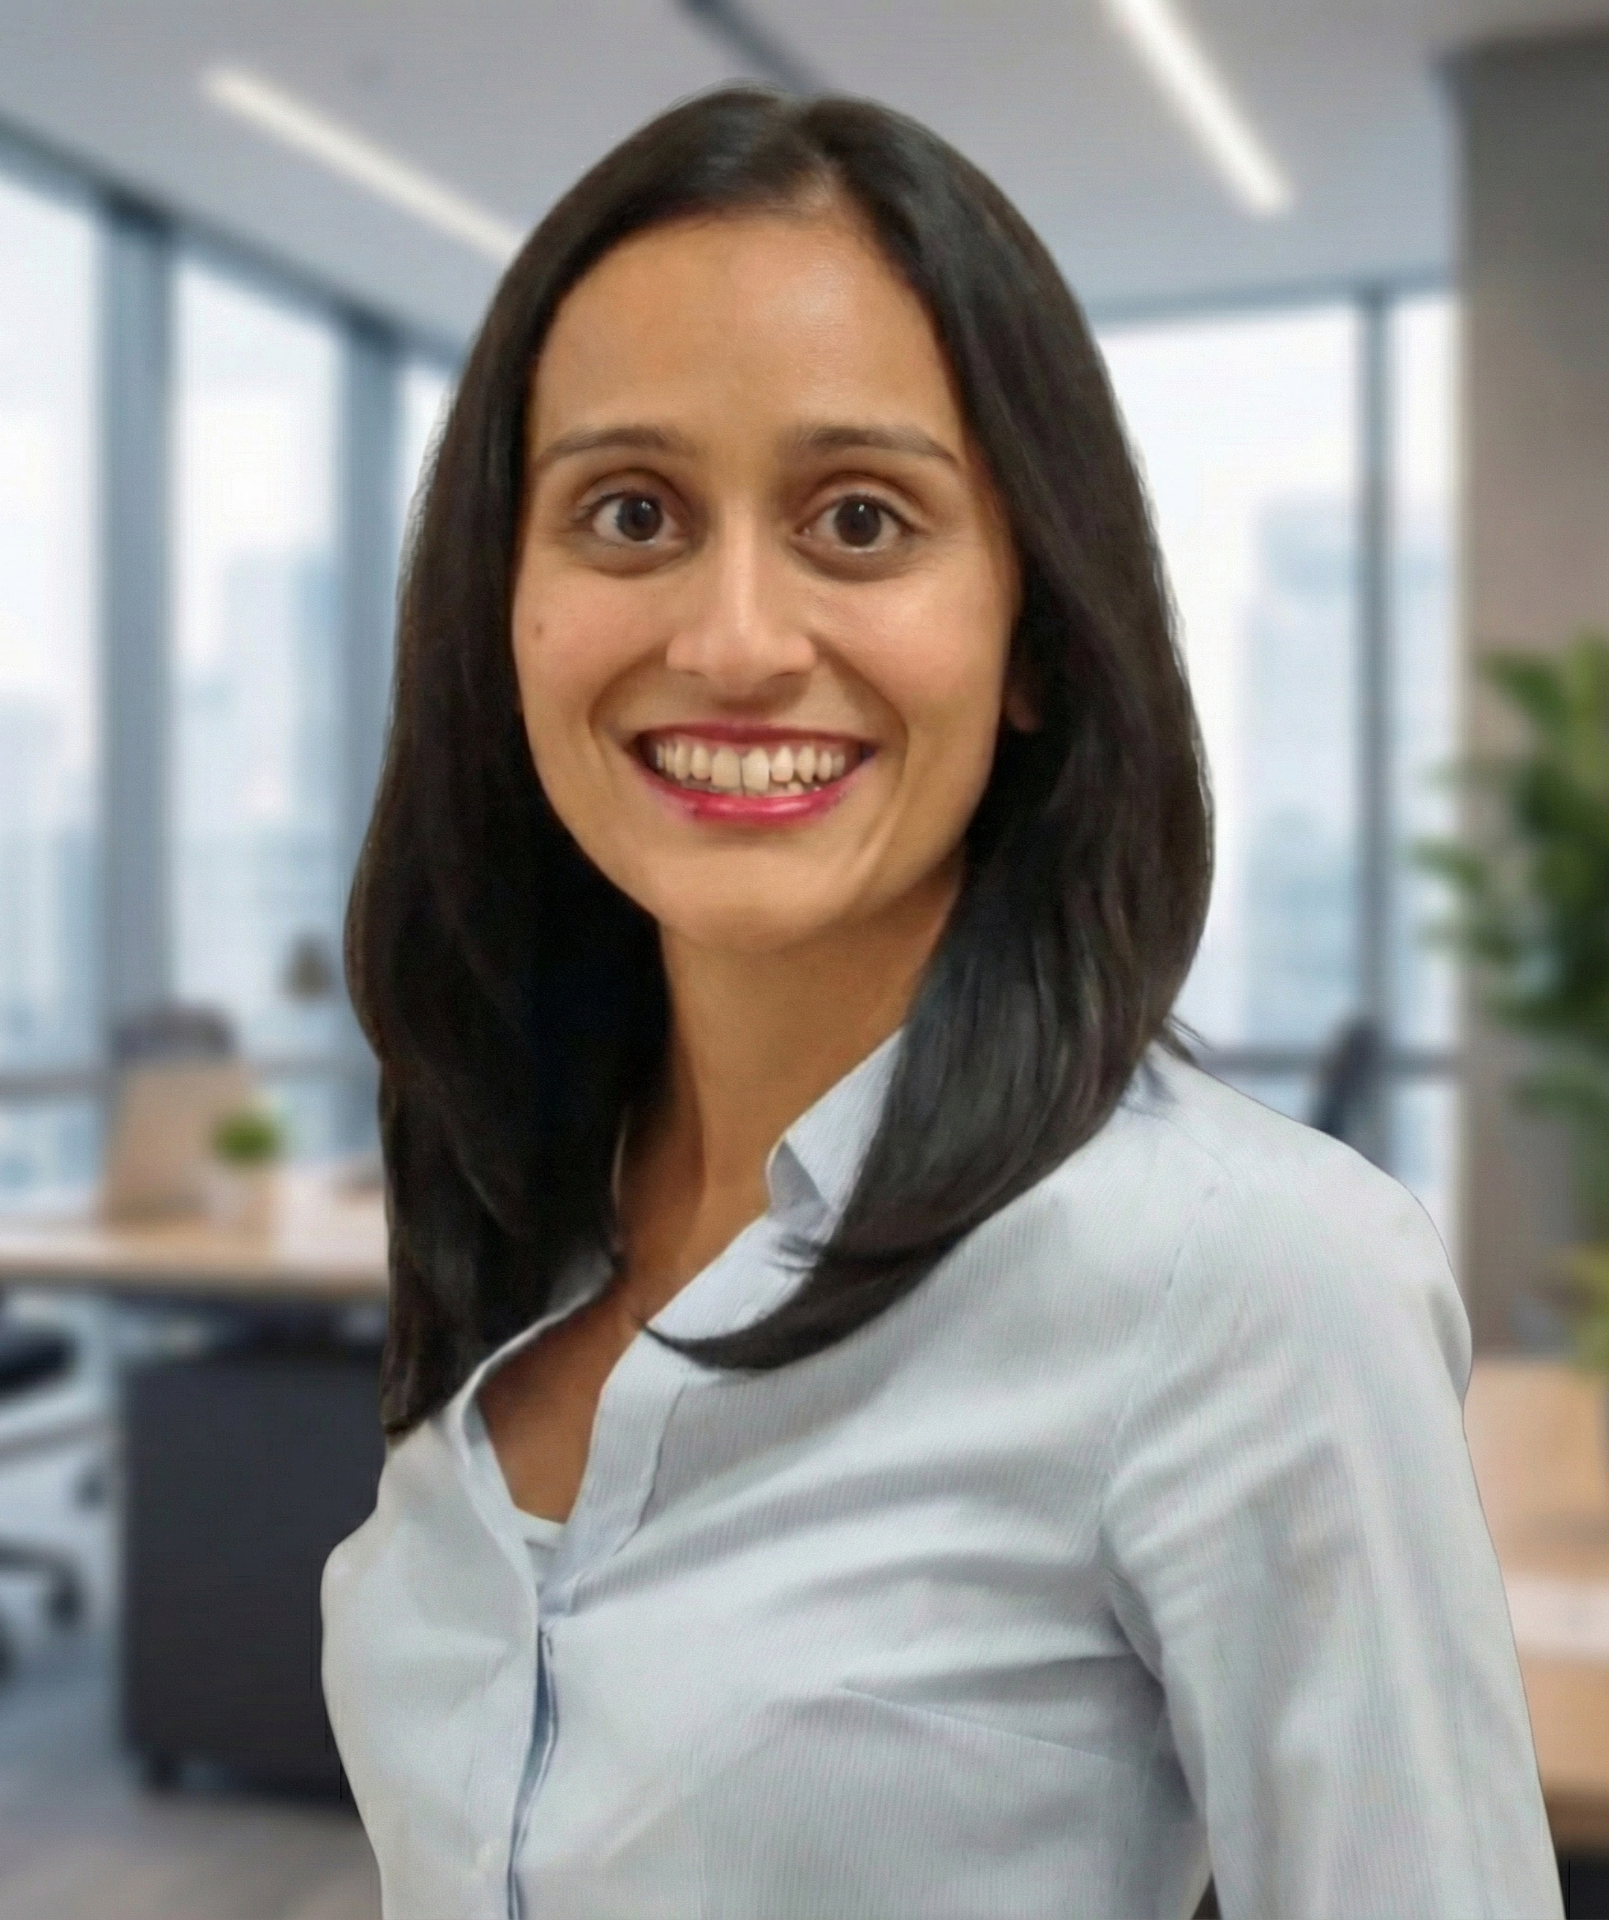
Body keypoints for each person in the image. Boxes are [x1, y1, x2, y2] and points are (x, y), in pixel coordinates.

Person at [321, 85, 1562, 1920]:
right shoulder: (517, 1196)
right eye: (633, 511)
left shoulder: (1250, 1284)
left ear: (1036, 637)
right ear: (502, 605)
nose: (733, 639)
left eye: (858, 521)